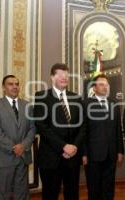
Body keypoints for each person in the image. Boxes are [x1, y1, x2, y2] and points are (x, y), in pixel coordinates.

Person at [33, 63, 85, 200]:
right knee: (50, 194)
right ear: (52, 77)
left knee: (72, 194)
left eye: (66, 75)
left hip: (73, 157)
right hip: (51, 157)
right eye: (60, 75)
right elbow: (41, 126)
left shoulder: (76, 98)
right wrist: (64, 146)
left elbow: (83, 126)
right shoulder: (41, 96)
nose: (64, 78)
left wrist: (74, 146)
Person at [0, 75, 35, 200]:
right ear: (4, 88)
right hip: (4, 158)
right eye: (10, 84)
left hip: (23, 158)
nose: (15, 86)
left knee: (22, 194)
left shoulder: (27, 106)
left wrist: (23, 146)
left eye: (17, 84)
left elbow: (32, 129)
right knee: (1, 194)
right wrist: (14, 147)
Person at [82, 74, 124, 200]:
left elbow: (118, 129)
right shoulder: (85, 104)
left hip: (111, 155)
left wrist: (120, 150)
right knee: (94, 189)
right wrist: (83, 153)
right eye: (101, 84)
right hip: (93, 155)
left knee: (108, 188)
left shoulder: (114, 104)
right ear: (94, 88)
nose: (105, 87)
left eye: (106, 85)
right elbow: (83, 130)